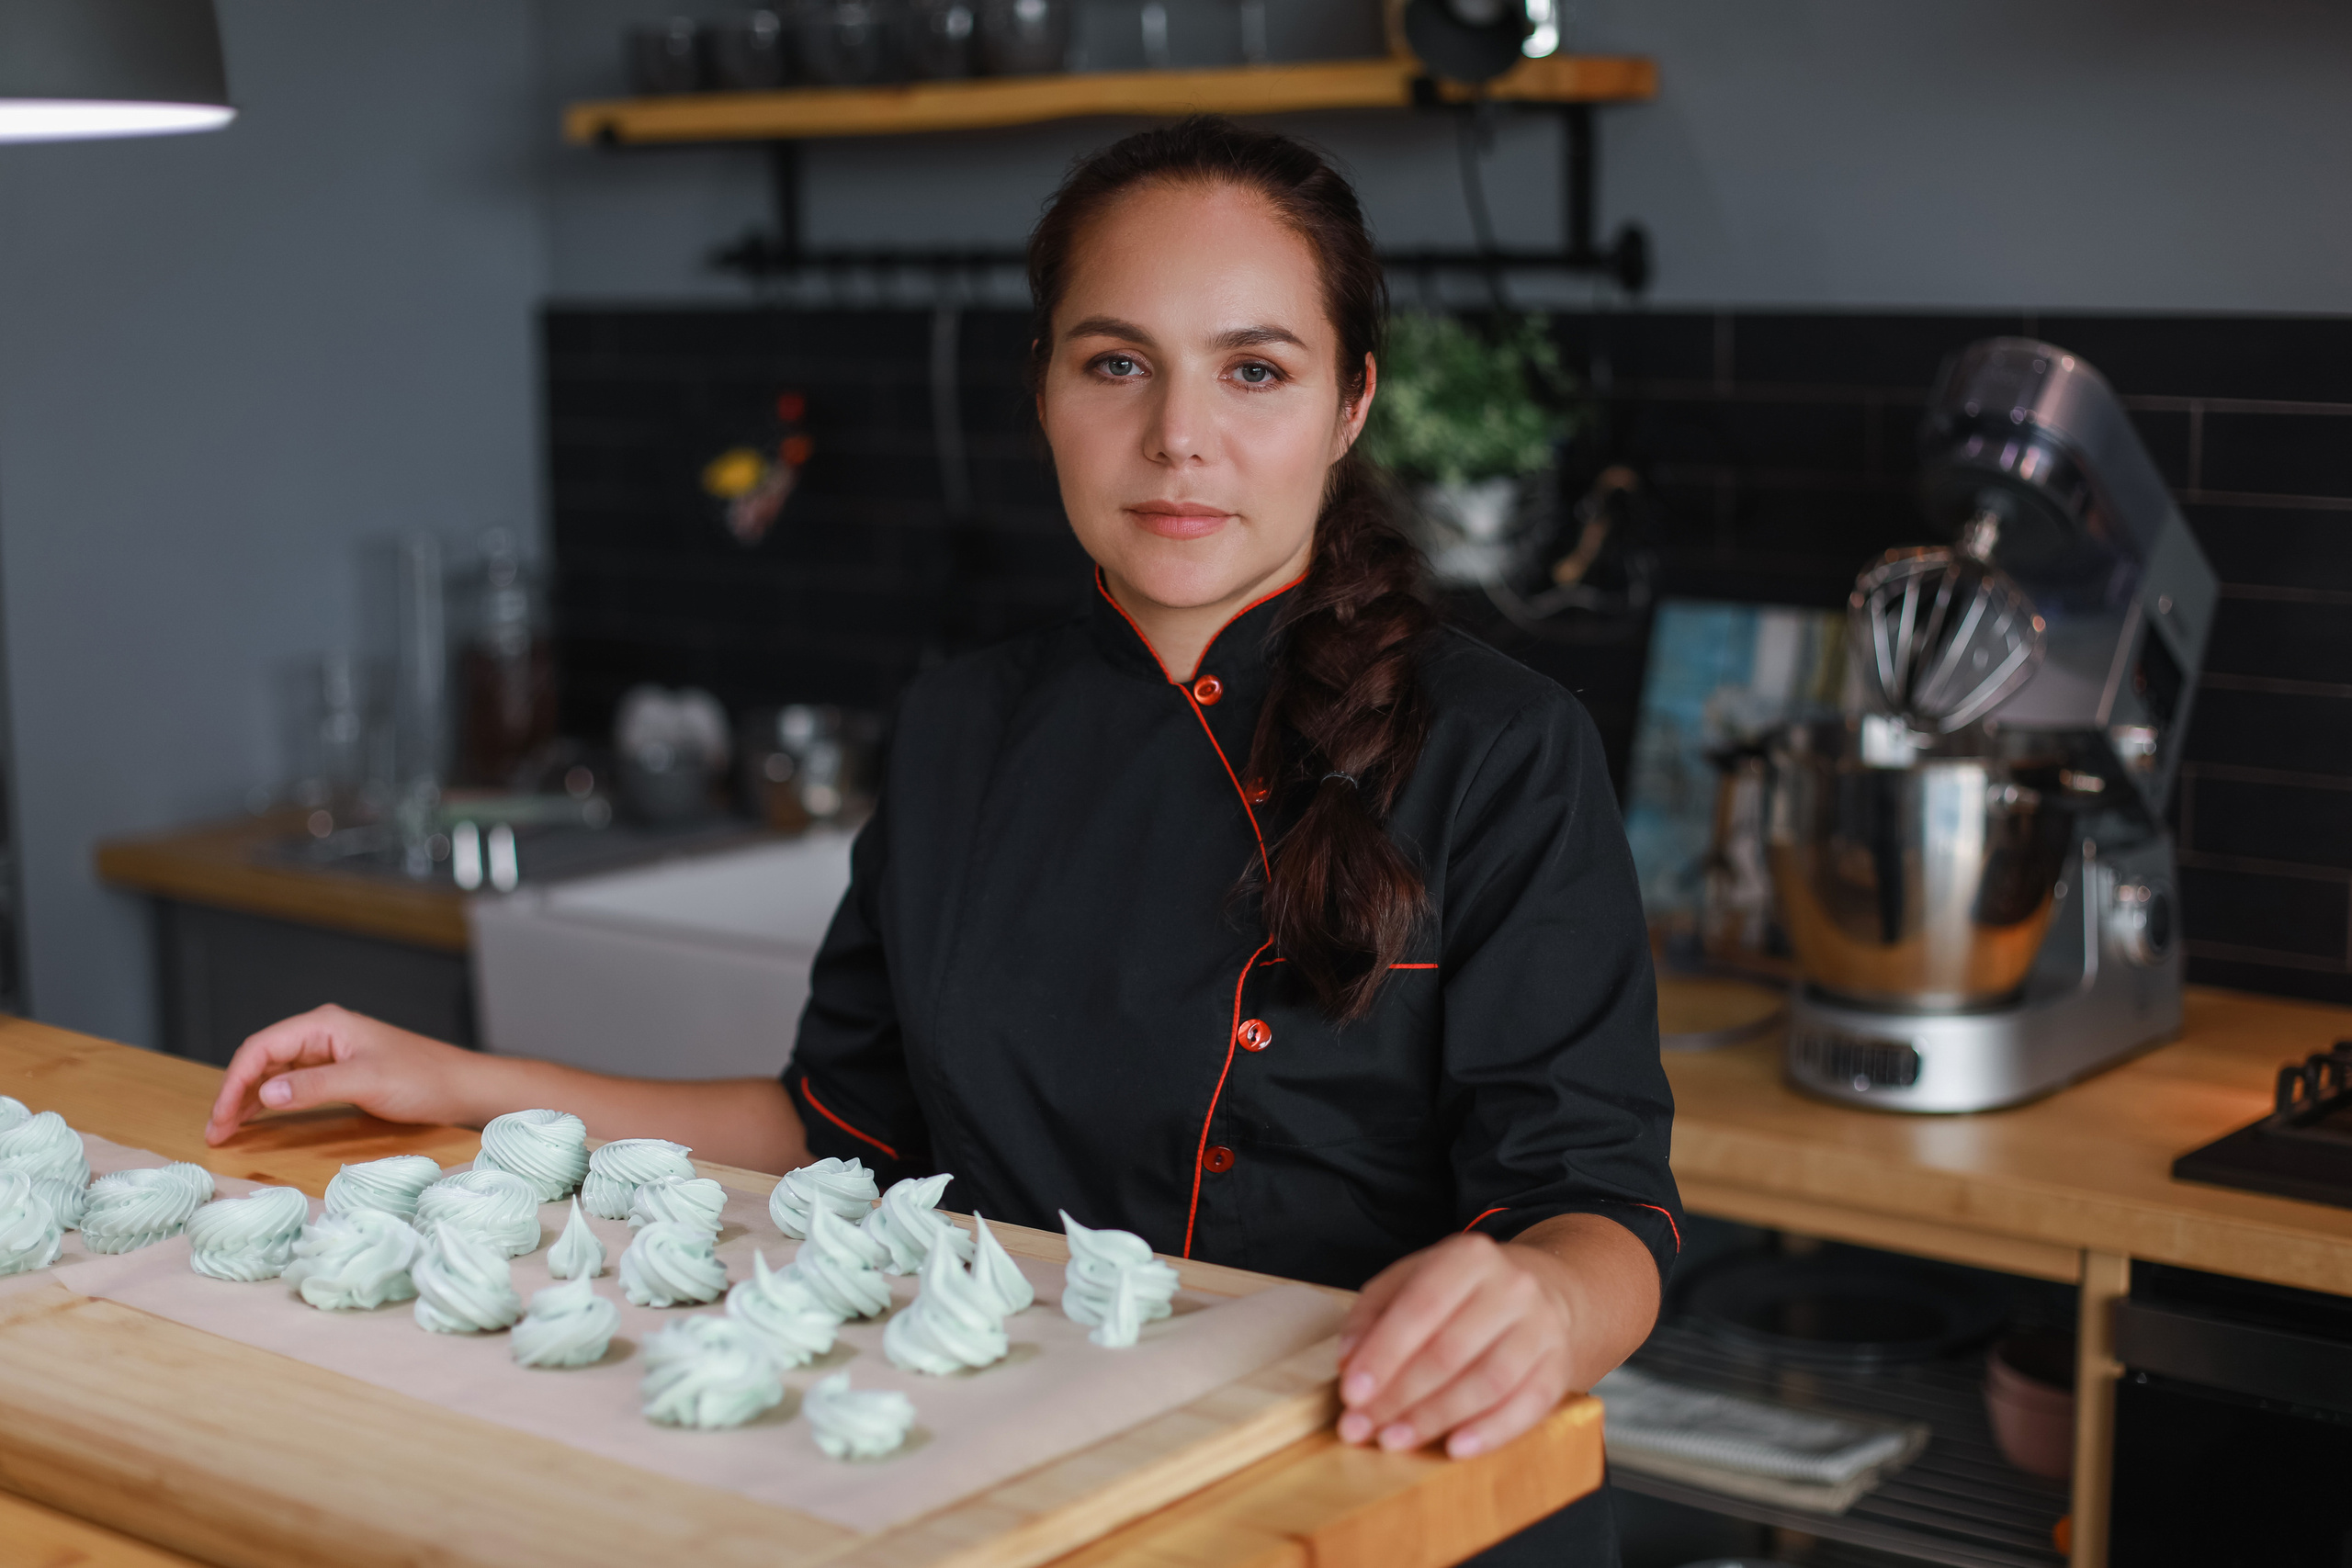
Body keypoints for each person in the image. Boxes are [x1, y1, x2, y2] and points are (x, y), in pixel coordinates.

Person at [206, 117, 1678, 1562]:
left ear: (1351, 404)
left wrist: (1544, 1302)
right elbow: (838, 1128)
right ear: (1042, 388)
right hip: (1015, 1469)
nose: (1179, 437)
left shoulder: (1502, 748)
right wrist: (464, 1083)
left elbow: (1597, 1208)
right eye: (1117, 363)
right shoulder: (959, 725)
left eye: (1254, 370)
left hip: (1363, 1485)